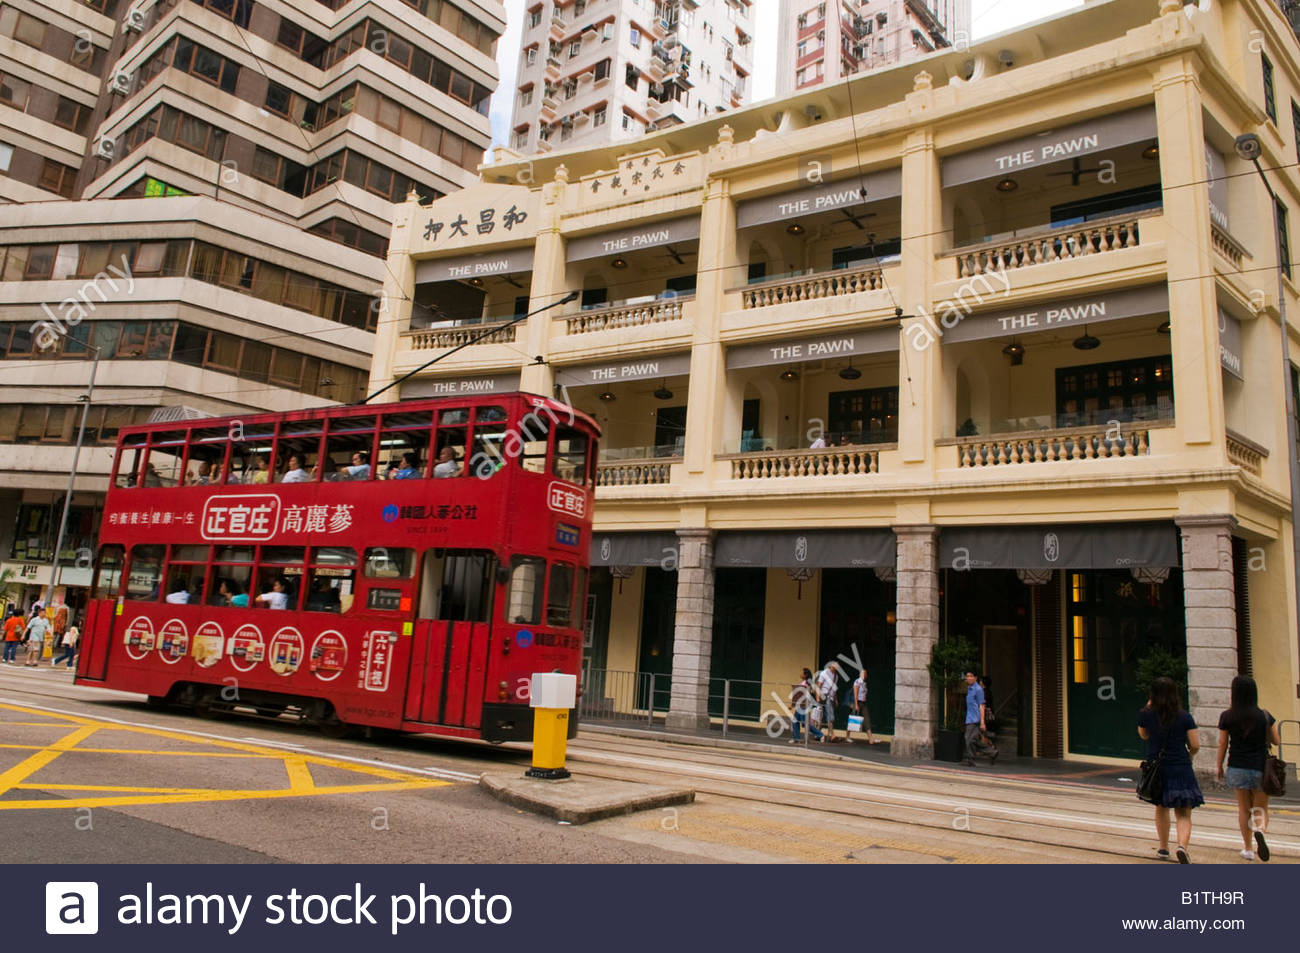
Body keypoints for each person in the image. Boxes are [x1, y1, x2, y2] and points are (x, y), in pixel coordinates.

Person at [1138, 676, 1203, 863]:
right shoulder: (1184, 716)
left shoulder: (1146, 714)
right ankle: (1182, 846)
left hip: (1157, 769)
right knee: (1183, 812)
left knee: (1161, 807)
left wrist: (1149, 706)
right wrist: (1189, 754)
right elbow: (1195, 744)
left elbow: (1143, 735)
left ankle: (1163, 847)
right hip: (1180, 767)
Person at [1216, 675, 1282, 861]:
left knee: (1244, 808)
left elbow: (1222, 743)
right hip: (1261, 767)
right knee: (1260, 807)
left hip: (1237, 765)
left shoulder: (1227, 716)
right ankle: (1259, 829)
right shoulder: (1265, 715)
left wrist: (1219, 765)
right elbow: (1276, 740)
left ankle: (1248, 849)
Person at [962, 670, 998, 766]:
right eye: (967, 676)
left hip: (975, 718)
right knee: (973, 740)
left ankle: (970, 759)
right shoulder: (970, 688)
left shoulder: (978, 690)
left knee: (968, 739)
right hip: (969, 717)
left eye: (971, 676)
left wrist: (982, 722)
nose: (968, 678)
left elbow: (982, 706)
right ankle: (992, 752)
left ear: (975, 678)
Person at [789, 667, 823, 744]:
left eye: (802, 673)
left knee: (805, 724)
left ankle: (820, 734)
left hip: (803, 706)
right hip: (800, 705)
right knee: (795, 722)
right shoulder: (805, 682)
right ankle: (796, 739)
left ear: (806, 675)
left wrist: (792, 704)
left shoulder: (806, 684)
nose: (800, 674)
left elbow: (799, 694)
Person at [816, 661, 839, 743]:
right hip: (825, 696)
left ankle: (817, 733)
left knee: (823, 718)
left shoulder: (836, 676)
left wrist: (836, 699)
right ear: (831, 666)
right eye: (835, 666)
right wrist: (817, 697)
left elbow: (834, 689)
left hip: (831, 697)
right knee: (830, 716)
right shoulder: (824, 673)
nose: (837, 667)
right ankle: (832, 735)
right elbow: (819, 685)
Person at [851, 667, 875, 744]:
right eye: (863, 673)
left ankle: (871, 739)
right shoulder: (857, 682)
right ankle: (847, 736)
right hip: (858, 702)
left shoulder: (864, 683)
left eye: (865, 674)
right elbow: (855, 693)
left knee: (867, 720)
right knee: (852, 719)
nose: (864, 675)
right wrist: (856, 704)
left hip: (863, 703)